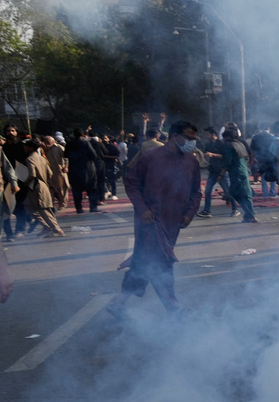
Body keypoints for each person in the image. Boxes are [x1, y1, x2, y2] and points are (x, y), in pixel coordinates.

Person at [106, 121, 202, 319]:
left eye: (194, 139)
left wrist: (189, 214)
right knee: (160, 263)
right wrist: (143, 209)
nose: (193, 142)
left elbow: (196, 192)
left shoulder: (191, 161)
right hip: (150, 221)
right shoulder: (150, 157)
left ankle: (118, 302)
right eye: (189, 138)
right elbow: (131, 183)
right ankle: (173, 309)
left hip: (173, 223)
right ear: (176, 137)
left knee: (144, 261)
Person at [214, 122, 257, 223]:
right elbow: (247, 155)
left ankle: (250, 214)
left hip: (236, 172)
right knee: (246, 193)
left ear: (227, 137)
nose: (223, 141)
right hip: (244, 171)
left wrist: (221, 174)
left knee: (234, 192)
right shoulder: (240, 143)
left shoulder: (229, 145)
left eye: (224, 138)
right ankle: (249, 214)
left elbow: (227, 162)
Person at [22, 139, 64, 237]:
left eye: (26, 146)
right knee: (28, 207)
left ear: (31, 148)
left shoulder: (29, 159)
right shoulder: (42, 158)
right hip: (42, 185)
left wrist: (26, 181)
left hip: (36, 186)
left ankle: (56, 229)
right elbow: (50, 174)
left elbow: (32, 174)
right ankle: (46, 227)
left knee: (43, 209)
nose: (24, 148)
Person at [196, 127, 231, 218]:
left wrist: (213, 155)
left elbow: (225, 157)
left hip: (222, 172)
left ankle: (235, 208)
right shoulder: (208, 144)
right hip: (212, 171)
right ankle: (207, 211)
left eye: (207, 134)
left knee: (228, 191)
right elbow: (204, 154)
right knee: (207, 191)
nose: (206, 136)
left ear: (213, 135)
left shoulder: (221, 143)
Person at [65, 128, 102, 213]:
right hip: (88, 170)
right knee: (92, 189)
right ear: (82, 135)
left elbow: (65, 155)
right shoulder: (86, 143)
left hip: (74, 170)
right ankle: (93, 207)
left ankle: (79, 208)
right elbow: (94, 155)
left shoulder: (69, 144)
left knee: (76, 190)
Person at [250, 123, 276, 197]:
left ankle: (265, 192)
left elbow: (253, 149)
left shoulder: (256, 137)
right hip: (271, 157)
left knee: (263, 173)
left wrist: (252, 159)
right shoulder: (272, 137)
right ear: (268, 127)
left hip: (260, 157)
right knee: (272, 173)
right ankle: (273, 191)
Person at [43, 136, 68, 211]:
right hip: (49, 172)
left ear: (53, 141)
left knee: (61, 188)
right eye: (45, 142)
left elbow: (66, 158)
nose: (46, 144)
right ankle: (51, 204)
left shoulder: (59, 148)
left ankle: (63, 203)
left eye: (48, 142)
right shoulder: (43, 149)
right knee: (50, 188)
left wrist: (66, 167)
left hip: (59, 170)